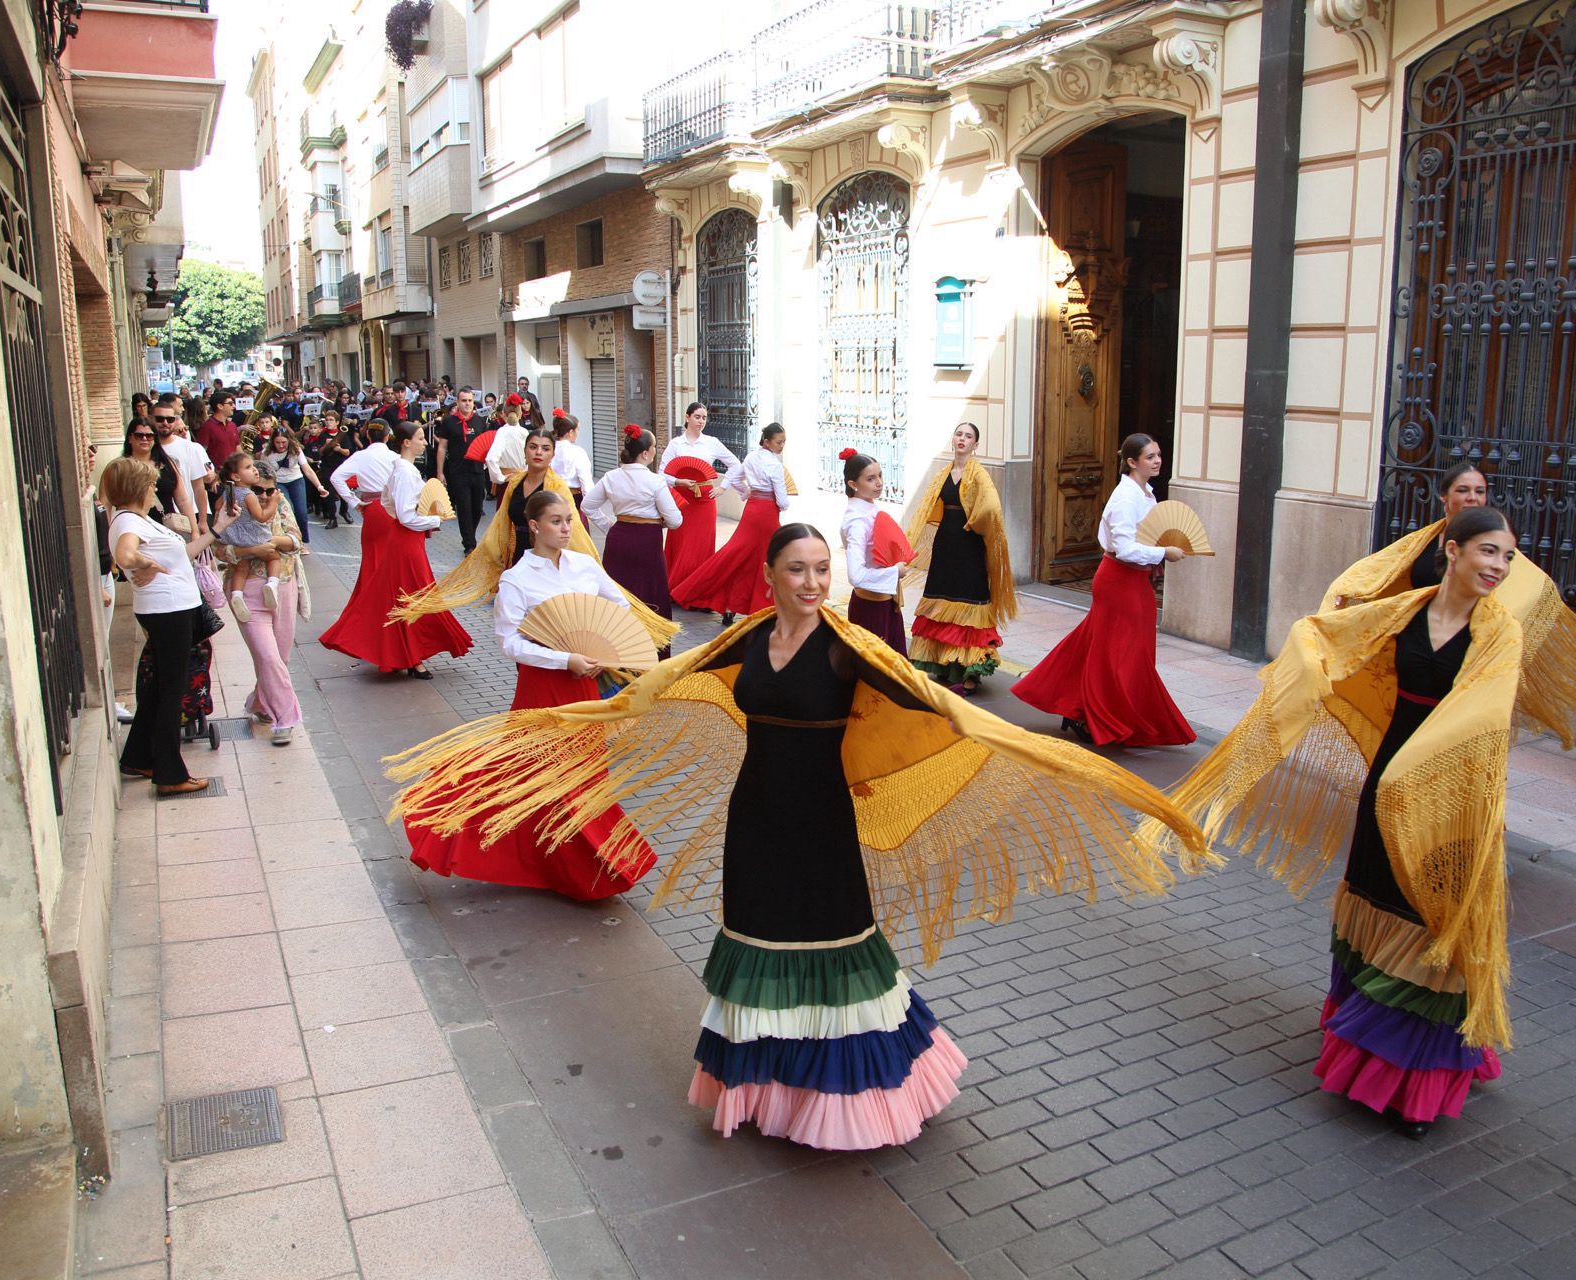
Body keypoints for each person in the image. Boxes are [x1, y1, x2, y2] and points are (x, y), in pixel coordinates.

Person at [387, 522, 1203, 1148]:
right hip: (758, 817)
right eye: (798, 571)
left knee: (836, 945)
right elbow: (660, 684)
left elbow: (942, 707)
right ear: (770, 577)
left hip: (822, 826)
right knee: (759, 941)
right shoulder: (744, 640)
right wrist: (578, 708)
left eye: (823, 570)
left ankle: (846, 1101)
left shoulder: (854, 650)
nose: (814, 583)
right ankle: (772, 1095)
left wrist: (1040, 754)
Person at [1148, 507, 1526, 1138]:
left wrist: (1415, 774)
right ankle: (1363, 1047)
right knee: (1377, 901)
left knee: (1430, 925)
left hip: (1451, 801)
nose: (1499, 567)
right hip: (1387, 788)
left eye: (1509, 557)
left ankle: (1413, 1086)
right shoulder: (1405, 611)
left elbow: (1483, 717)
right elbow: (1325, 636)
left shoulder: (1500, 634)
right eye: (1489, 551)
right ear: (1453, 550)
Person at [402, 489, 658, 899]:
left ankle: (575, 865)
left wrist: (604, 646)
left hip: (586, 684)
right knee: (538, 774)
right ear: (534, 526)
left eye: (569, 520)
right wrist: (565, 658)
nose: (565, 528)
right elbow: (509, 643)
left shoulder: (586, 566)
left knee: (585, 776)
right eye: (556, 521)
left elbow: (620, 608)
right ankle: (566, 866)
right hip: (543, 687)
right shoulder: (517, 579)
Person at [1324, 465, 1576, 751]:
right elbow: (1381, 578)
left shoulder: (1495, 547)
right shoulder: (1421, 542)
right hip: (1413, 653)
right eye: (1463, 490)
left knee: (1445, 751)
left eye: (1480, 491)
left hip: (1461, 660)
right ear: (1444, 498)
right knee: (1397, 745)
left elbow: (1528, 590)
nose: (1473, 497)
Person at [391, 434, 681, 654]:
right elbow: (500, 524)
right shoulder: (515, 483)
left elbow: (573, 530)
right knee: (520, 627)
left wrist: (586, 556)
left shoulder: (557, 489)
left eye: (545, 448)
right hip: (518, 557)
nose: (539, 453)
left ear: (553, 454)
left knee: (553, 626)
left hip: (551, 560)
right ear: (525, 451)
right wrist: (492, 560)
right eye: (533, 447)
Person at [1012, 433, 1194, 746]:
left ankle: (1078, 707)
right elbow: (1123, 549)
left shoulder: (1147, 494)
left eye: (1159, 455)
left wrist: (1159, 551)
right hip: (1119, 581)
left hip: (1134, 581)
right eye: (1150, 456)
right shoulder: (1125, 498)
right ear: (1132, 462)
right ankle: (1098, 715)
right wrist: (1163, 553)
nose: (1157, 461)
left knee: (1111, 648)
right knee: (1118, 654)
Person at [102, 456, 239, 794]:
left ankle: (138, 756)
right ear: (137, 487)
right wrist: (141, 562)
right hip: (168, 612)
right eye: (150, 485)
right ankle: (169, 773)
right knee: (170, 693)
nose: (154, 491)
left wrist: (218, 528)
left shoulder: (137, 519)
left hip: (173, 609)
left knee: (159, 688)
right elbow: (125, 553)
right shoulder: (127, 522)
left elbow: (184, 553)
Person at [318, 421, 473, 678]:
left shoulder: (400, 468)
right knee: (414, 595)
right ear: (405, 442)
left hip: (404, 539)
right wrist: (436, 520)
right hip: (406, 541)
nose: (425, 442)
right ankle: (412, 657)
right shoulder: (402, 470)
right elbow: (404, 515)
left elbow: (392, 505)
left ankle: (410, 655)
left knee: (409, 595)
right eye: (421, 438)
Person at [904, 422, 1018, 692]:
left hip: (969, 545)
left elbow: (991, 507)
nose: (962, 439)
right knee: (942, 597)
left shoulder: (979, 475)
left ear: (975, 445)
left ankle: (970, 670)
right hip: (946, 545)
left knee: (970, 601)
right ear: (953, 439)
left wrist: (973, 524)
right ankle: (943, 664)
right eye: (959, 434)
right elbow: (928, 506)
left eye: (968, 436)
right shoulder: (944, 473)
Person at [672, 422, 790, 626]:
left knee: (737, 557)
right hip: (768, 514)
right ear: (768, 442)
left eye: (784, 442)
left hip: (751, 511)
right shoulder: (775, 465)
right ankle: (766, 606)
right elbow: (783, 502)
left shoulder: (752, 457)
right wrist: (782, 502)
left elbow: (735, 477)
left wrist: (746, 493)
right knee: (767, 559)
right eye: (780, 442)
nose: (782, 446)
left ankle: (730, 607)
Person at [223, 460, 307, 745]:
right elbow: (218, 547)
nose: (263, 495)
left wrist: (271, 542)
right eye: (258, 489)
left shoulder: (280, 504)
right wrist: (249, 549)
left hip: (282, 585)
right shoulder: (232, 503)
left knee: (278, 659)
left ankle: (259, 703)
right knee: (268, 657)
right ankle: (286, 718)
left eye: (269, 491)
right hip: (245, 591)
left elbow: (296, 539)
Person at [583, 425, 683, 658]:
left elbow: (588, 505)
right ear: (646, 453)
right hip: (647, 542)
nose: (656, 451)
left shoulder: (611, 477)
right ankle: (652, 651)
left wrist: (610, 525)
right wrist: (661, 522)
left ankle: (614, 651)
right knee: (650, 593)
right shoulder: (655, 481)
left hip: (619, 539)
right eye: (655, 447)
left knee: (617, 593)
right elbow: (676, 520)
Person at [661, 401, 739, 590]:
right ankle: (675, 587)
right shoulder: (676, 444)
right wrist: (678, 482)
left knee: (702, 546)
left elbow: (736, 464)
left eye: (704, 417)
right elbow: (662, 473)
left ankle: (697, 589)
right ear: (687, 418)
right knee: (680, 544)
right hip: (682, 499)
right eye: (697, 417)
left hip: (705, 500)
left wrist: (723, 487)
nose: (701, 421)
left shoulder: (711, 442)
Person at [838, 449, 905, 654]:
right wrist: (895, 572)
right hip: (870, 606)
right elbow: (855, 575)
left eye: (880, 475)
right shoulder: (857, 521)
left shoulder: (868, 509)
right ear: (853, 484)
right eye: (870, 478)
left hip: (884, 600)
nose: (879, 483)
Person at [213, 452, 289, 621]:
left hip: (234, 538)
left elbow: (218, 506)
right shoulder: (248, 495)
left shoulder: (228, 492)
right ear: (236, 476)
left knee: (242, 566)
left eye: (253, 466)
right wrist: (273, 503)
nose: (254, 470)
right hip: (253, 537)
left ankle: (237, 595)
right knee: (273, 558)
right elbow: (261, 517)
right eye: (248, 467)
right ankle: (272, 584)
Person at [433, 388, 493, 552]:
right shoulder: (449, 421)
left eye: (470, 401)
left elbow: (487, 445)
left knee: (476, 507)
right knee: (464, 508)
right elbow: (442, 448)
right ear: (458, 402)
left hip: (478, 471)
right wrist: (440, 472)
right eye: (464, 400)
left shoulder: (480, 421)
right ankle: (469, 543)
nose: (467, 404)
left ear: (473, 403)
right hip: (458, 471)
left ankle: (470, 534)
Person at [153, 394, 213, 531]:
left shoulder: (190, 447)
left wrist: (202, 521)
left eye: (169, 419)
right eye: (159, 419)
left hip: (188, 516)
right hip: (156, 519)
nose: (165, 423)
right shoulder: (146, 448)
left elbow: (199, 488)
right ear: (151, 420)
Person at [260, 426, 329, 543]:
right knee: (288, 510)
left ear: (289, 441)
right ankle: (290, 540)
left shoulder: (296, 450)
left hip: (296, 480)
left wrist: (319, 486)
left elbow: (307, 469)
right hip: (279, 483)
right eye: (278, 442)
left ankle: (303, 541)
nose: (281, 445)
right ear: (273, 442)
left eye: (284, 442)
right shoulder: (266, 453)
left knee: (301, 512)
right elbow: (263, 472)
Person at [122, 416, 194, 524]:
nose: (145, 439)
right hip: (134, 529)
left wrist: (194, 530)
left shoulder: (167, 464)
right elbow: (107, 504)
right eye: (139, 435)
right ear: (130, 438)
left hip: (167, 529)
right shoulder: (120, 467)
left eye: (149, 436)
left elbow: (183, 501)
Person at [483, 395, 531, 502]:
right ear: (520, 414)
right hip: (523, 480)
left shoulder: (502, 432)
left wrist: (499, 478)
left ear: (503, 414)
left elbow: (491, 458)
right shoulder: (525, 432)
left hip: (507, 482)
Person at [549, 409, 593, 509]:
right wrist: (590, 508)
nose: (578, 432)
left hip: (550, 499)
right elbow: (586, 483)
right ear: (570, 432)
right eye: (577, 429)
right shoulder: (578, 452)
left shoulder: (548, 450)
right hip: (573, 499)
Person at [196, 392, 241, 473]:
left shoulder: (232, 425)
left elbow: (237, 447)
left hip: (234, 472)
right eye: (230, 404)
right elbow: (200, 454)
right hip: (217, 475)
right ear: (220, 406)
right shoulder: (207, 427)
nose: (234, 406)